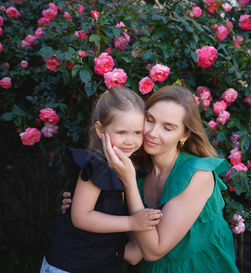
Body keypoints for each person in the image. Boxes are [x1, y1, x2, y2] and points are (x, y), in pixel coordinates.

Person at [63, 85, 239, 273]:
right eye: (150, 120)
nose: (153, 133)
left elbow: (153, 251)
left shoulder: (197, 175)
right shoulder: (135, 171)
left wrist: (129, 184)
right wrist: (85, 211)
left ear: (185, 135)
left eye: (168, 128)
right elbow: (134, 251)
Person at [40, 87, 162, 273]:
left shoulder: (128, 168)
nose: (130, 140)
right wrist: (133, 222)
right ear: (100, 130)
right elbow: (81, 217)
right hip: (70, 264)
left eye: (137, 132)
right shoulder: (97, 164)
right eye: (121, 132)